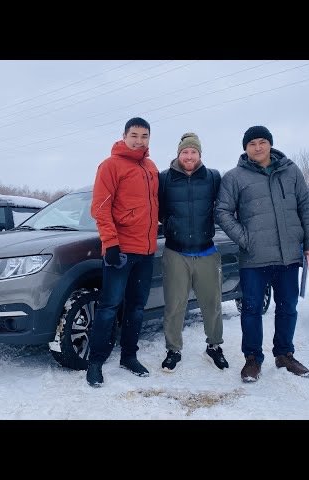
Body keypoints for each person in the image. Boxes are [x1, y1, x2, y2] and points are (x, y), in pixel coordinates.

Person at [215, 125, 309, 383]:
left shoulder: (291, 171)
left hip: (287, 255)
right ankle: (252, 359)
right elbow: (222, 212)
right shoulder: (234, 177)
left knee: (288, 307)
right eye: (252, 144)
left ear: (270, 144)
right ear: (245, 148)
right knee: (251, 309)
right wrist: (245, 239)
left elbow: (306, 208)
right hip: (254, 258)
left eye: (262, 142)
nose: (258, 147)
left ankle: (284, 354)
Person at [86, 117, 159, 388]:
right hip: (122, 250)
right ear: (124, 136)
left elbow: (154, 206)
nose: (139, 141)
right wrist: (111, 243)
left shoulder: (150, 167)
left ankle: (129, 356)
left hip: (146, 251)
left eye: (144, 136)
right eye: (134, 135)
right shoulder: (110, 165)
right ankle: (95, 363)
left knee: (136, 307)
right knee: (109, 307)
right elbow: (100, 207)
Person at [158, 132, 228, 373]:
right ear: (179, 154)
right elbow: (158, 210)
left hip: (206, 250)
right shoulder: (164, 178)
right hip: (175, 252)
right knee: (174, 305)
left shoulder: (213, 177)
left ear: (200, 154)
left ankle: (214, 346)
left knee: (212, 303)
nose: (189, 156)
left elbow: (224, 208)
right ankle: (173, 350)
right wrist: (171, 226)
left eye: (193, 152)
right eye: (185, 152)